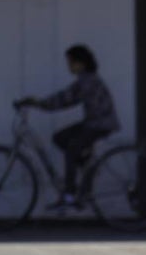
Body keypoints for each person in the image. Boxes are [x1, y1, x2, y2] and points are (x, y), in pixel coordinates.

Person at [16, 44, 120, 210]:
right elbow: (66, 96)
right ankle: (85, 161)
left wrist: (37, 103)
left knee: (72, 150)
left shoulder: (88, 81)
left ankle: (69, 194)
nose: (69, 66)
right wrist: (39, 103)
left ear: (82, 63)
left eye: (71, 62)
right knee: (59, 137)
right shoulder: (86, 79)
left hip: (100, 124)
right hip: (94, 122)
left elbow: (65, 98)